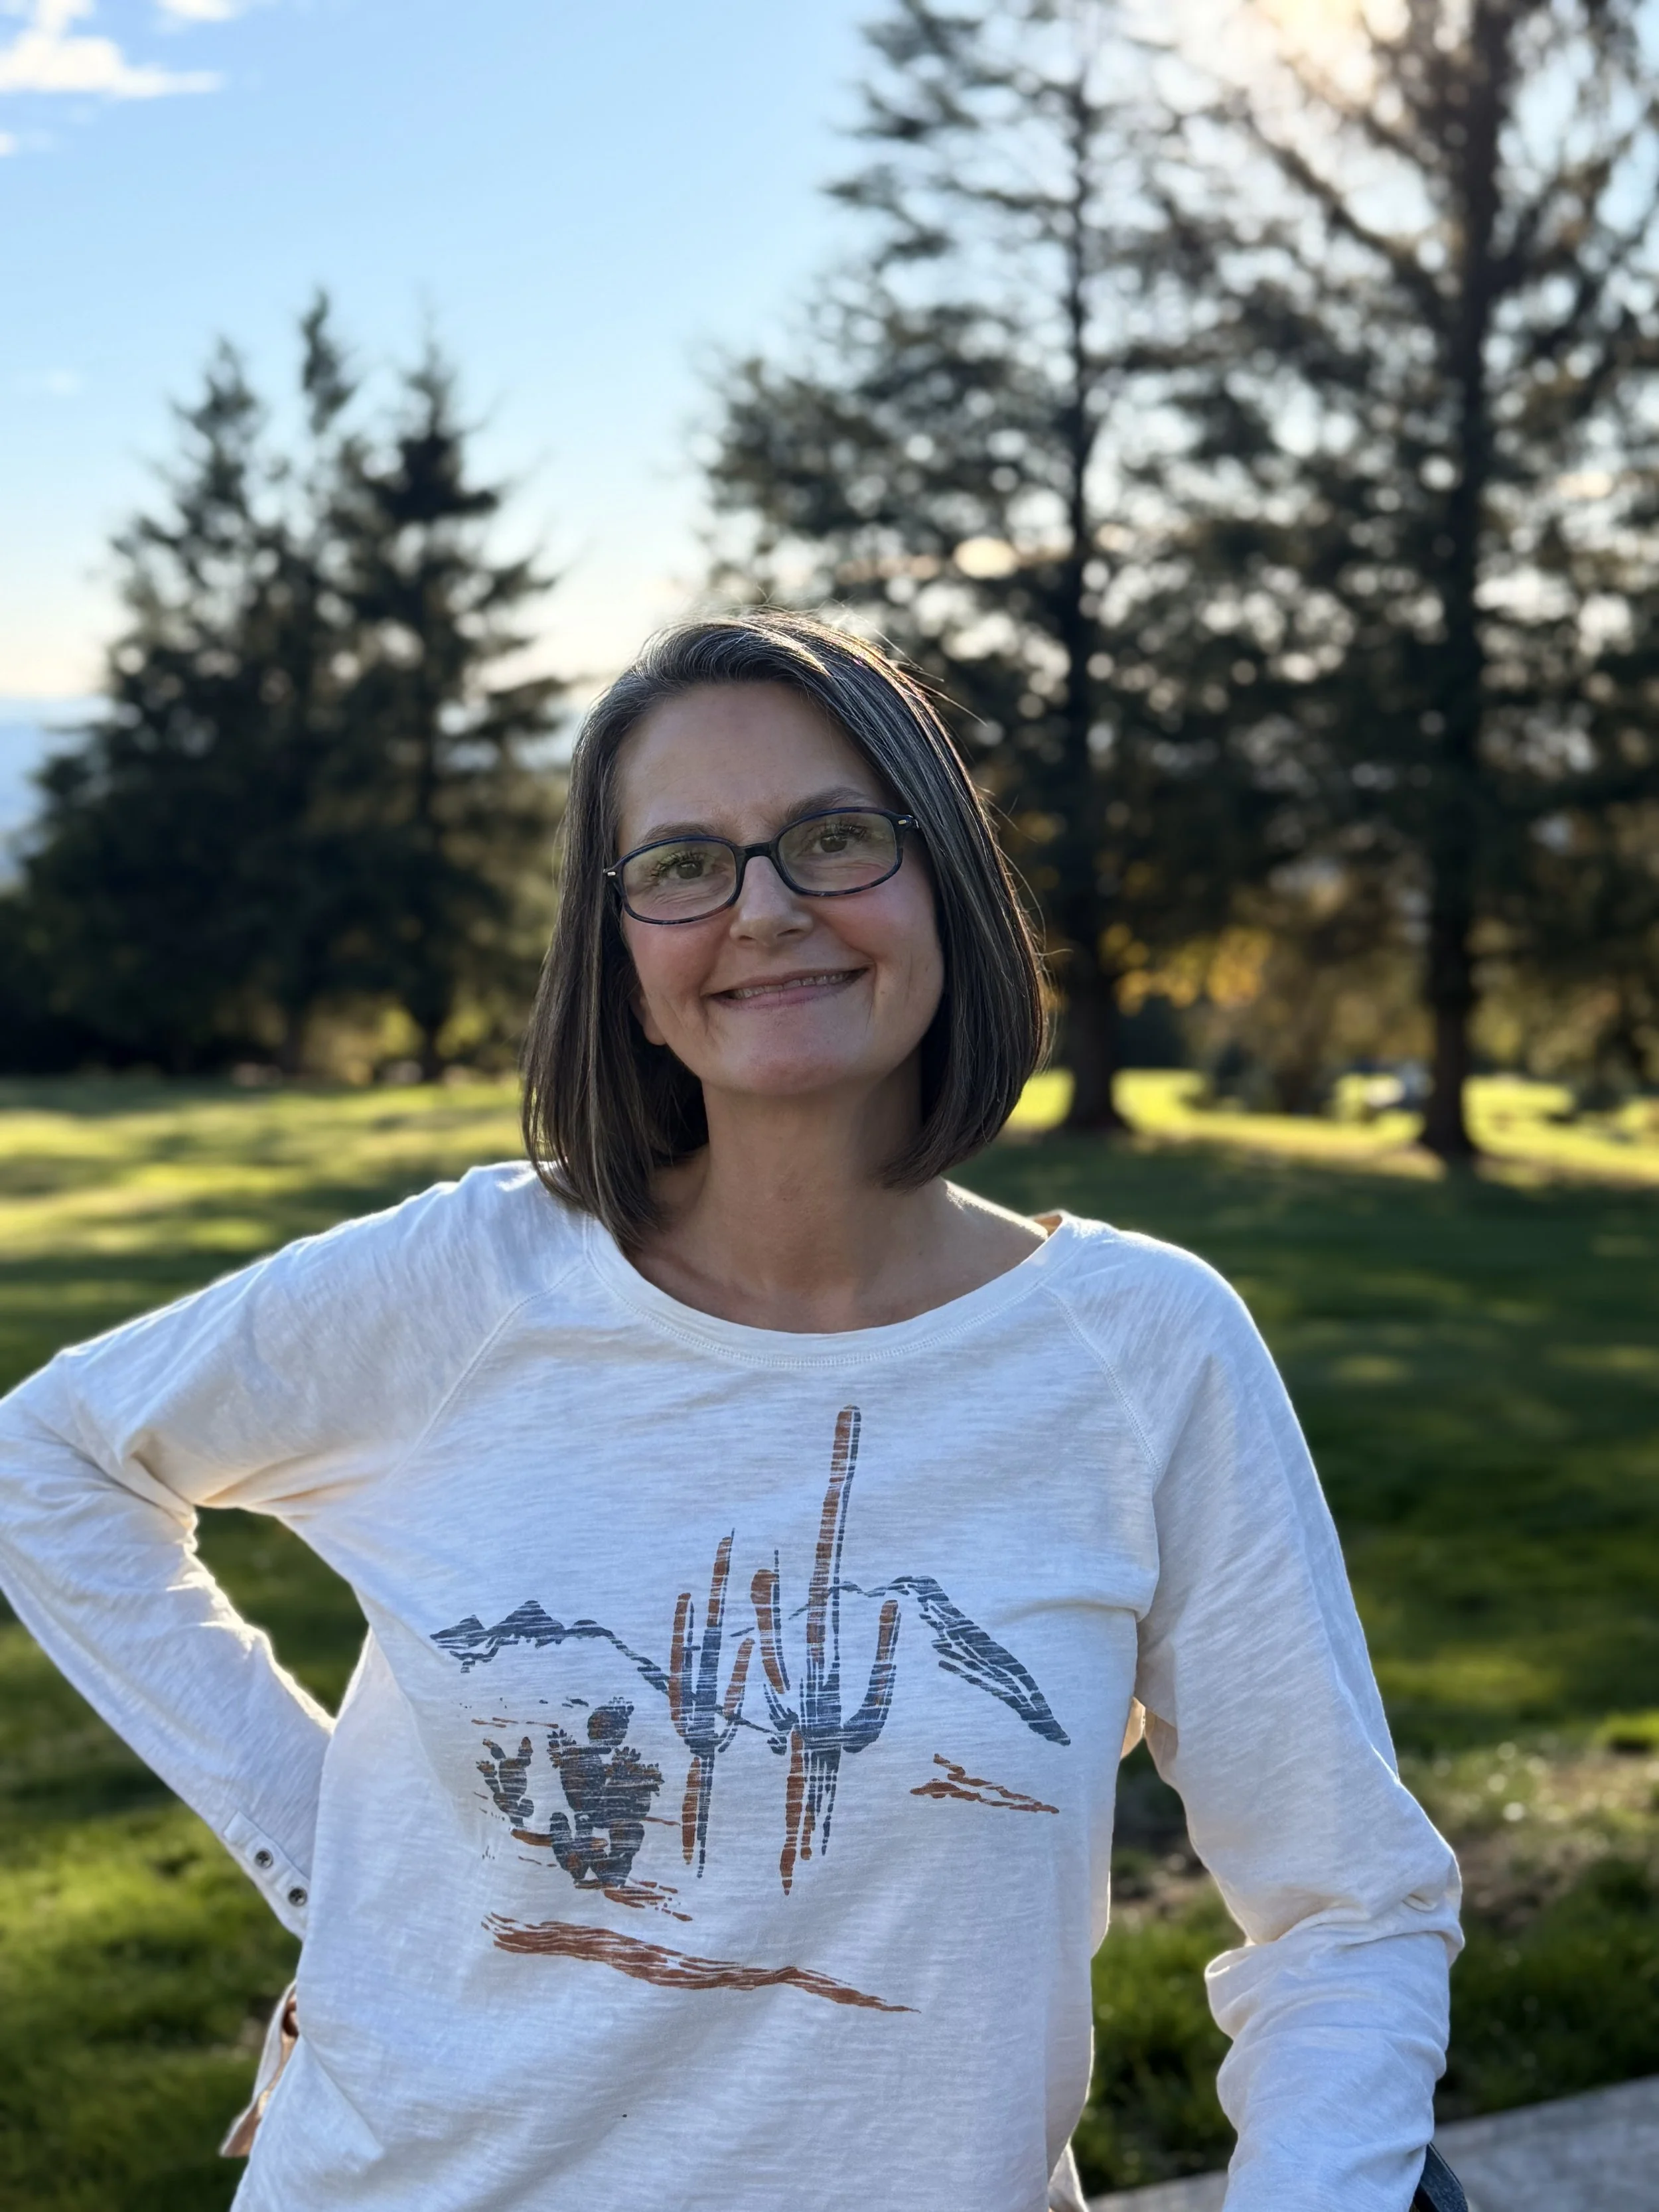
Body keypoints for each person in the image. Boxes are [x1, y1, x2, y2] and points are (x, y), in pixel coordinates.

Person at [0, 614, 1461, 2212]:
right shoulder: (472, 1286)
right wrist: (315, 1850)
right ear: (620, 954)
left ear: (942, 890)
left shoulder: (1137, 1354)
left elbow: (1340, 1909)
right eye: (683, 865)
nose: (764, 911)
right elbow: (47, 1459)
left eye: (833, 840)